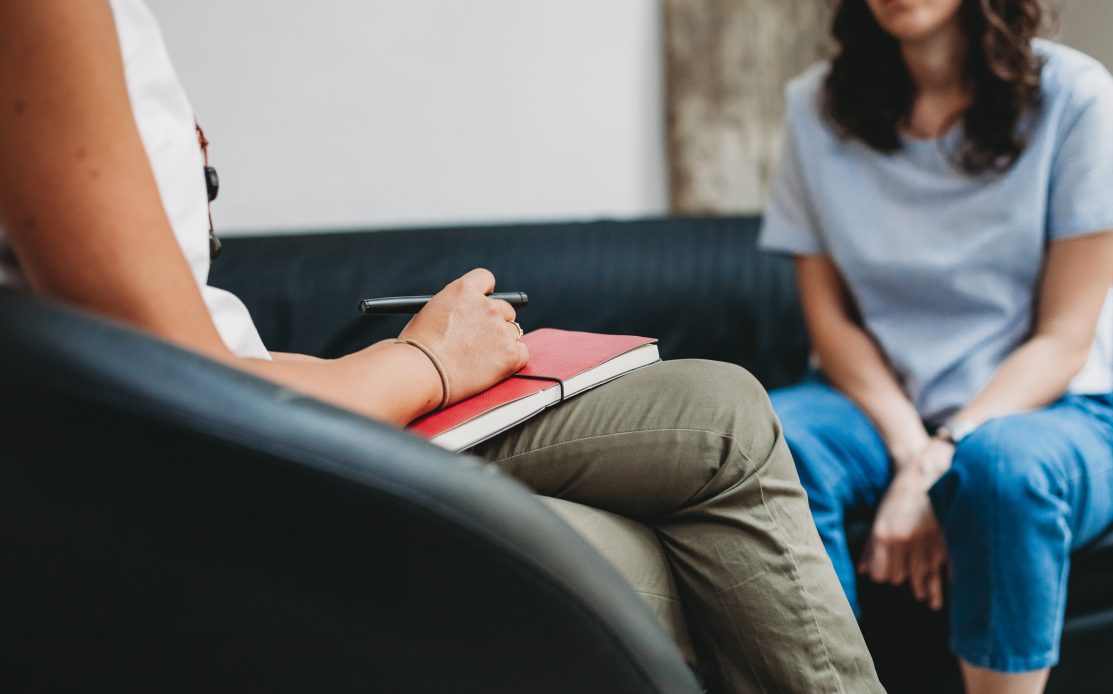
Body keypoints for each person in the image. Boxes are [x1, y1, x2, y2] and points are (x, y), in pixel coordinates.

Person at [0, 1, 887, 691]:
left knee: (720, 407)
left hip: (252, 415)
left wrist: (412, 362)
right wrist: (426, 362)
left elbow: (203, 338)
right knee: (669, 556)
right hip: (218, 480)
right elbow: (179, 389)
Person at [761, 0, 1113, 692]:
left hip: (1050, 410)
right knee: (760, 440)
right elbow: (833, 326)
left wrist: (946, 451)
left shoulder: (1077, 98)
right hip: (874, 409)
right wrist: (912, 453)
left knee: (999, 468)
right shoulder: (814, 106)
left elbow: (1065, 339)